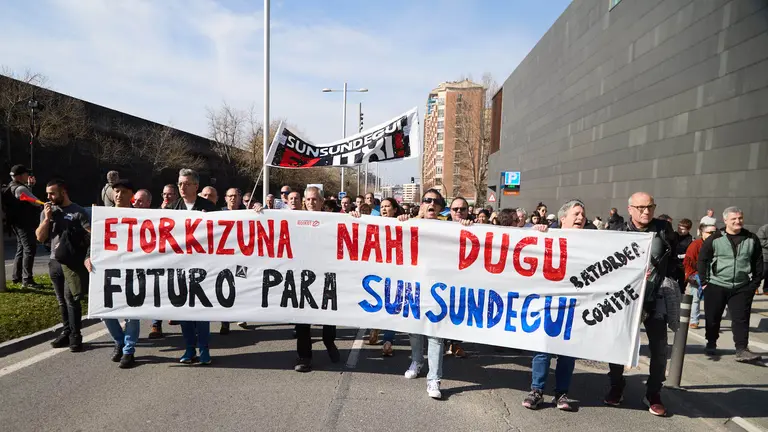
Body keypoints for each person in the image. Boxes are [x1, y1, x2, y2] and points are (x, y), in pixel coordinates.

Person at [604, 192, 677, 417]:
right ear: (630, 209)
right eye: (641, 207)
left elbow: (672, 260)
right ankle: (616, 386)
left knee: (659, 350)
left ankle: (653, 393)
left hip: (656, 298)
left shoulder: (664, 230)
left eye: (650, 207)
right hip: (626, 300)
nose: (646, 211)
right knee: (618, 346)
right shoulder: (618, 232)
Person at [522, 199, 585, 412]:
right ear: (563, 219)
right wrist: (535, 231)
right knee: (543, 348)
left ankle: (561, 393)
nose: (581, 217)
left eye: (583, 214)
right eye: (576, 214)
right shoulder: (548, 235)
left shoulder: (592, 241)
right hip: (547, 302)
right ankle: (537, 390)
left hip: (574, 305)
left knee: (567, 351)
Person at [397, 189, 451, 399]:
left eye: (436, 201)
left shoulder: (449, 228)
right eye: (427, 200)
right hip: (414, 285)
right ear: (422, 205)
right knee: (414, 329)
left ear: (440, 208)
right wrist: (402, 221)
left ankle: (434, 379)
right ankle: (417, 360)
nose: (431, 204)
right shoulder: (411, 224)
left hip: (438, 287)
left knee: (435, 334)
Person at [85, 179, 140, 368]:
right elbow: (95, 241)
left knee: (133, 311)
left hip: (133, 270)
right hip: (108, 270)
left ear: (131, 194)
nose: (118, 195)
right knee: (104, 310)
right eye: (116, 191)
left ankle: (129, 350)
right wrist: (88, 257)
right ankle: (119, 341)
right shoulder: (104, 215)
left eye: (123, 191)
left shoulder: (141, 216)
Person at [698, 207, 763, 362]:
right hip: (716, 285)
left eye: (740, 218)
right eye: (733, 218)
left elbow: (758, 262)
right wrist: (705, 282)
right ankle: (711, 342)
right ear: (725, 220)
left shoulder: (751, 238)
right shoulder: (715, 238)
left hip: (741, 286)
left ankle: (742, 349)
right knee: (713, 317)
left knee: (741, 319)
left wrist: (754, 284)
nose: (737, 221)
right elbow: (702, 260)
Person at [35, 178, 91, 352]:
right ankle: (66, 332)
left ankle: (76, 336)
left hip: (72, 263)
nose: (49, 197)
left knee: (71, 299)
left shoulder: (78, 211)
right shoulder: (48, 212)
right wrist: (47, 219)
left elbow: (91, 235)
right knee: (61, 300)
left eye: (52, 193)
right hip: (54, 261)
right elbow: (40, 237)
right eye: (47, 194)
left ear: (63, 192)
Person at [288, 187, 340, 372]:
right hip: (302, 275)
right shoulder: (294, 219)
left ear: (322, 201)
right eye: (308, 199)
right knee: (302, 318)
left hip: (326, 275)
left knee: (328, 313)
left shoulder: (332, 220)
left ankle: (329, 342)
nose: (311, 202)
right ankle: (304, 356)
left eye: (315, 199)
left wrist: (355, 217)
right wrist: (258, 211)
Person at [169, 169, 217, 364]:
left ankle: (204, 348)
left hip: (202, 266)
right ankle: (189, 349)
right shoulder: (171, 208)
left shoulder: (209, 207)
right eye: (180, 183)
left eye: (187, 184)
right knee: (184, 310)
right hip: (179, 266)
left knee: (201, 310)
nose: (182, 187)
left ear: (196, 186)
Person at [366, 197, 402, 356]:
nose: (384, 209)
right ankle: (375, 326)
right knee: (377, 303)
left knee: (392, 306)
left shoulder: (403, 224)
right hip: (377, 272)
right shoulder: (374, 224)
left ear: (395, 209)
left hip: (396, 272)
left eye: (388, 206)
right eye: (382, 207)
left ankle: (388, 340)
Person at [4, 164, 43, 288]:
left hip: (16, 223)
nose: (28, 176)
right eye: (26, 174)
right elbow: (35, 202)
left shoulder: (12, 186)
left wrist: (29, 186)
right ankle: (27, 280)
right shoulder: (21, 189)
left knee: (21, 248)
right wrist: (46, 204)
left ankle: (17, 277)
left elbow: (26, 199)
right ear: (20, 176)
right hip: (24, 223)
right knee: (29, 248)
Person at [444, 196, 470, 358]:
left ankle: (455, 343)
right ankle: (442, 342)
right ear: (450, 211)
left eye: (462, 209)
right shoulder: (439, 226)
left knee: (458, 311)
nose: (459, 211)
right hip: (442, 277)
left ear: (468, 211)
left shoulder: (476, 227)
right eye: (455, 209)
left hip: (463, 277)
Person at [684, 223, 716, 329]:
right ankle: (694, 320)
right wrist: (691, 275)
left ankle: (712, 322)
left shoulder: (718, 244)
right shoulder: (696, 244)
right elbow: (688, 261)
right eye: (710, 232)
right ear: (702, 233)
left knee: (713, 300)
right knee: (696, 298)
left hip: (714, 276)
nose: (712, 234)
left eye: (714, 232)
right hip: (696, 275)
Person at [673, 219, 693, 290]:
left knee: (681, 286)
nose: (680, 230)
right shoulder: (673, 235)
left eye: (683, 229)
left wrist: (679, 256)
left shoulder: (690, 240)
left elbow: (689, 254)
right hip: (672, 264)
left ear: (688, 229)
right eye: (679, 228)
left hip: (683, 266)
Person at [758, 223, 768, 295]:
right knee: (764, 272)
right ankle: (755, 286)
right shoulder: (764, 228)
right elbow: (760, 240)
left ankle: (766, 289)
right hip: (765, 255)